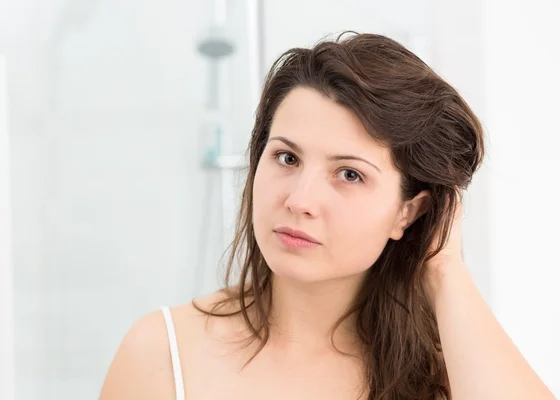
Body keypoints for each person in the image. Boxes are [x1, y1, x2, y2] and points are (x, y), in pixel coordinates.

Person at [98, 33, 555, 399]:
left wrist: (444, 270)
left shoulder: (449, 373)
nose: (300, 200)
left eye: (349, 174)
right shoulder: (163, 354)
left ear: (410, 211)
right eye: (287, 159)